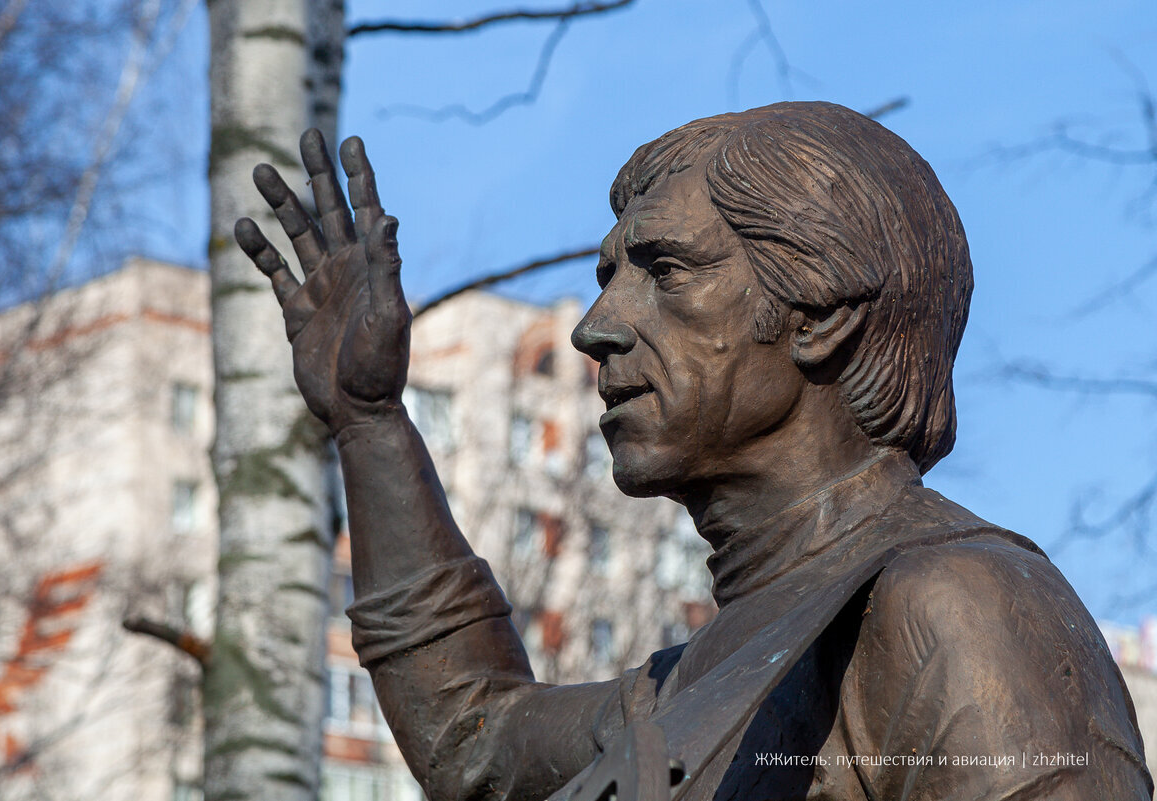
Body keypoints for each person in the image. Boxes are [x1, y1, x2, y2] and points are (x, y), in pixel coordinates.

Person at [234, 102, 1152, 801]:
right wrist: (369, 420)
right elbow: (474, 736)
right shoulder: (706, 672)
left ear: (822, 313)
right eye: (608, 280)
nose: (597, 329)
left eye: (665, 272)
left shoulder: (959, 603)